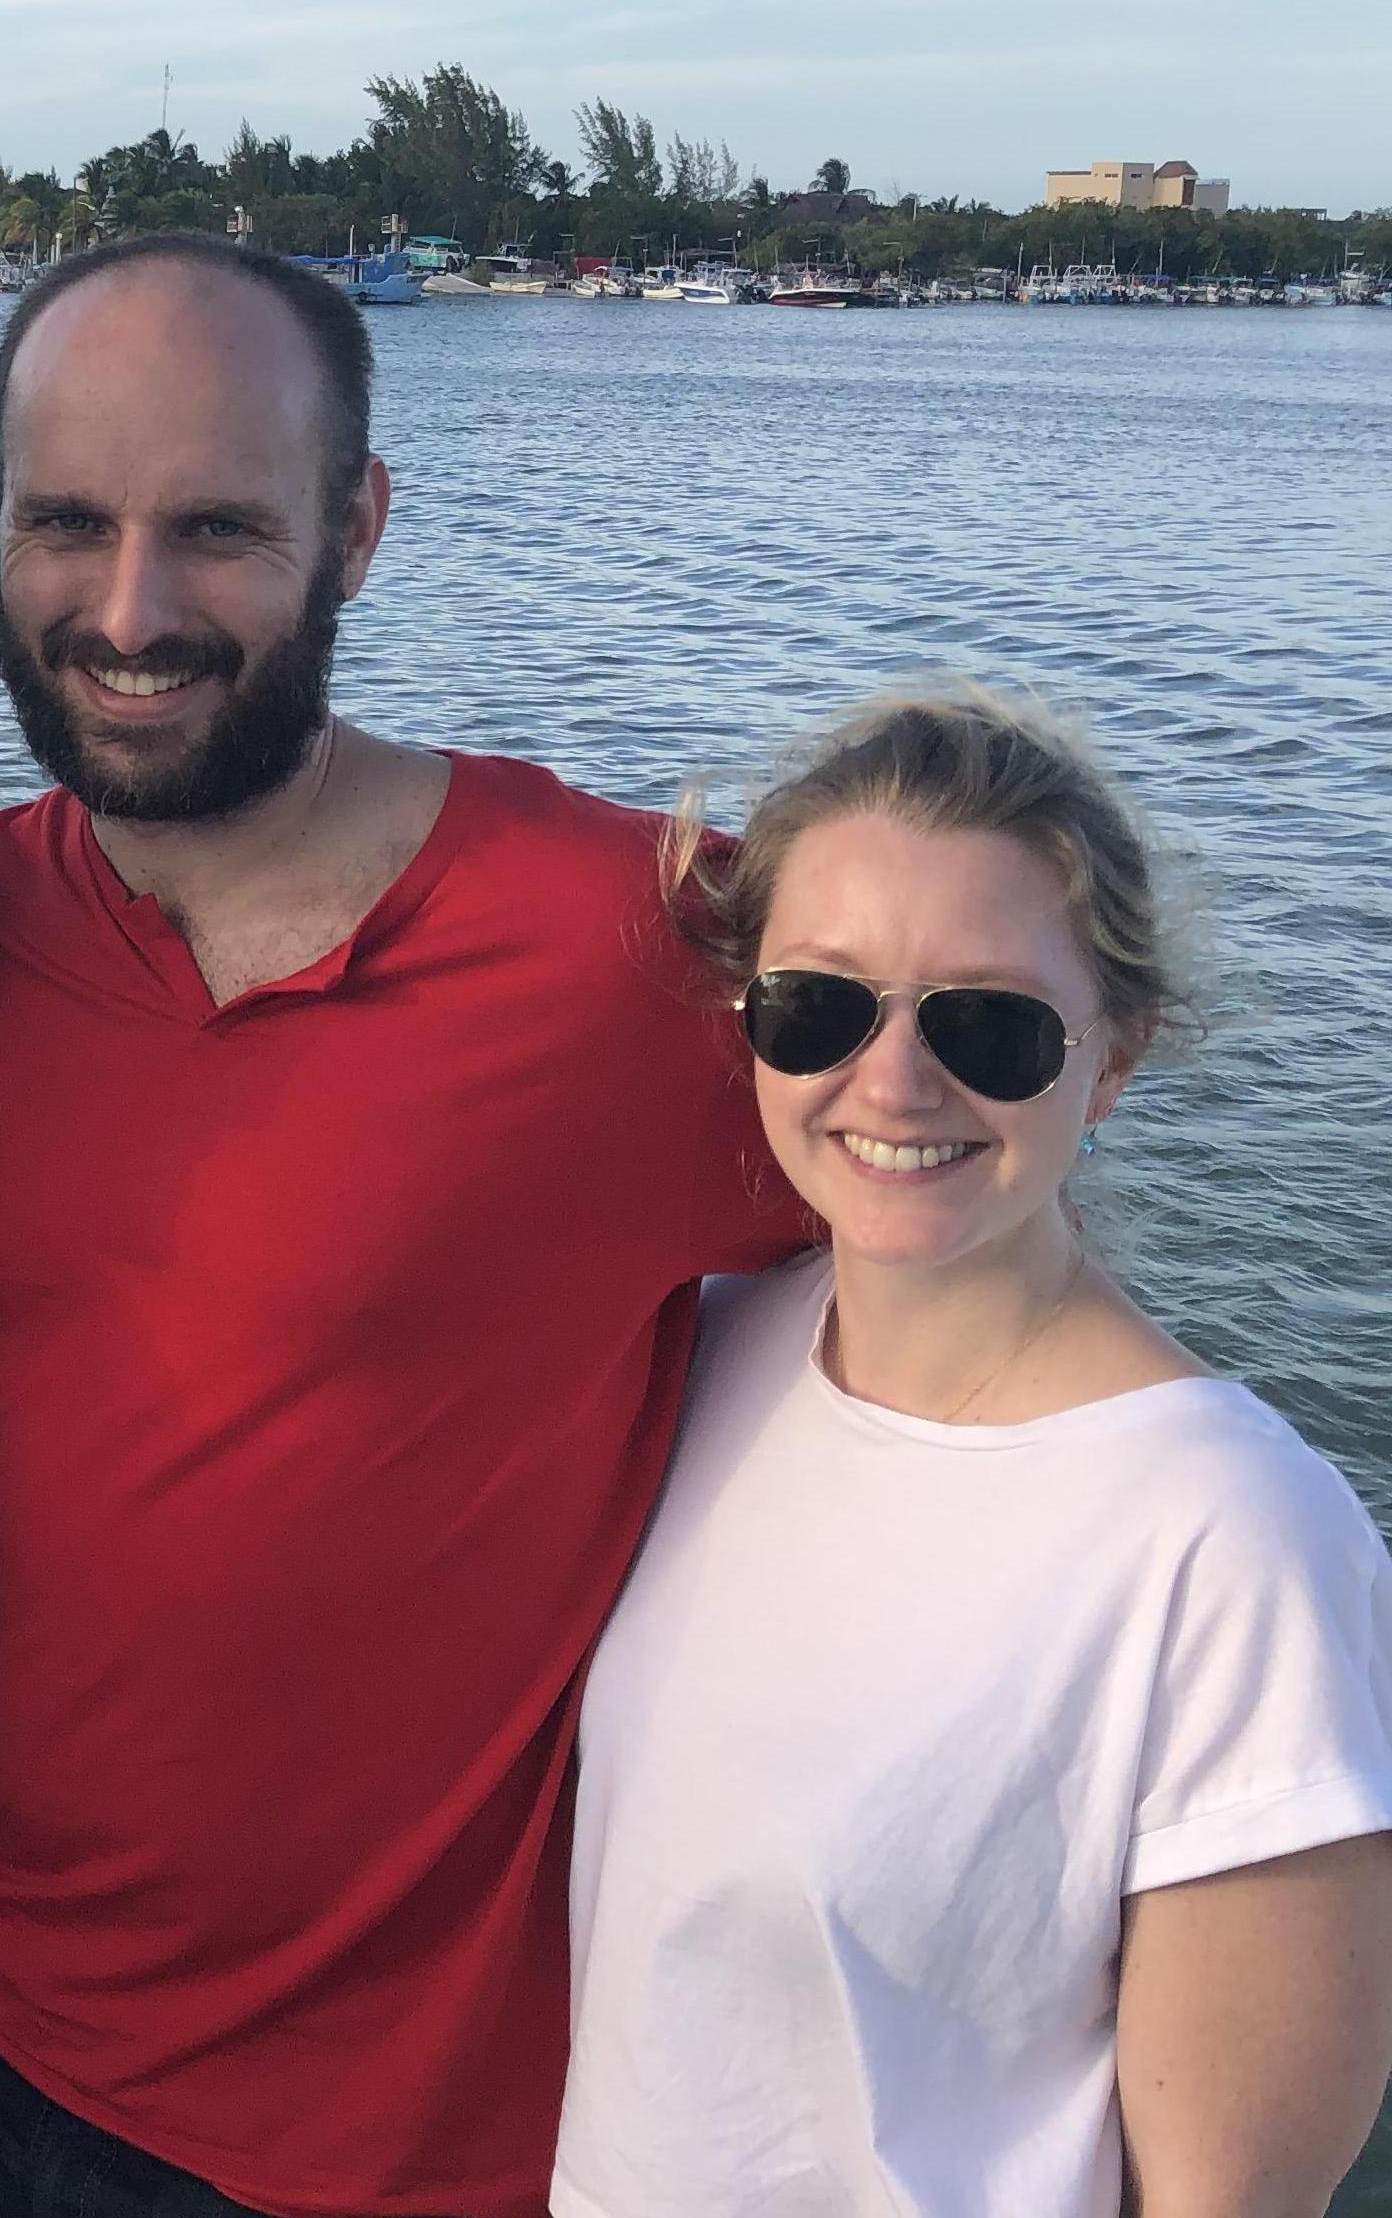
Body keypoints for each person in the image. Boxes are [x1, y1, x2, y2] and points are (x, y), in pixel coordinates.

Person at [0, 232, 802, 2218]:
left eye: (216, 527)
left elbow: (972, 1220)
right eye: (66, 522)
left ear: (355, 526)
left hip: (405, 2149)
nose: (129, 611)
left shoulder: (628, 943)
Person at [556, 687, 1392, 2216]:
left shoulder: (1231, 1542)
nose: (890, 1083)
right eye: (819, 1005)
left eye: (990, 1027)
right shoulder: (711, 1356)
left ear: (1115, 1060)